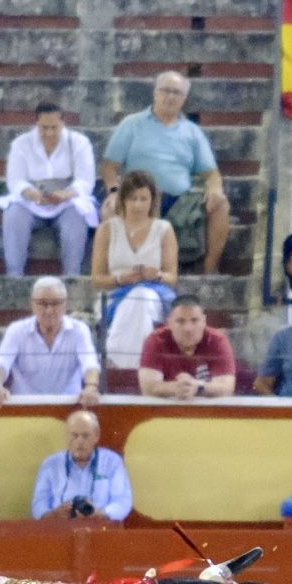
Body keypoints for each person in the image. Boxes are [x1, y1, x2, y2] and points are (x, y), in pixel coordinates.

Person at [99, 72, 228, 273]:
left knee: (221, 205)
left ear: (184, 99)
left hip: (181, 202)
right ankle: (109, 273)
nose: (170, 96)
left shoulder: (191, 131)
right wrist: (114, 191)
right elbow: (109, 166)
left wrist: (215, 189)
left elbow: (211, 173)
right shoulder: (132, 124)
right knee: (109, 209)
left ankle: (209, 271)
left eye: (176, 92)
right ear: (155, 93)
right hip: (139, 197)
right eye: (165, 90)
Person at [0, 102, 97, 279]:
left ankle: (71, 276)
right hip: (32, 199)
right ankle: (14, 275)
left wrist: (65, 194)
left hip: (67, 200)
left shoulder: (79, 143)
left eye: (54, 127)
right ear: (36, 124)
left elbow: (86, 180)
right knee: (12, 215)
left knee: (77, 217)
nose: (49, 133)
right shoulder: (21, 144)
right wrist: (31, 193)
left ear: (63, 123)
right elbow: (15, 180)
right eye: (44, 128)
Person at [92, 168, 178, 366]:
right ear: (123, 200)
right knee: (135, 299)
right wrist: (120, 279)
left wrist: (154, 275)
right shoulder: (107, 229)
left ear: (152, 200)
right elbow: (97, 278)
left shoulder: (164, 229)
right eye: (133, 198)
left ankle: (120, 360)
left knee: (141, 297)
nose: (138, 204)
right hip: (115, 295)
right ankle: (138, 363)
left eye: (143, 198)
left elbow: (171, 277)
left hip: (153, 295)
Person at [0, 276, 102, 407]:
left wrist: (91, 387)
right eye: (42, 303)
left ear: (65, 305)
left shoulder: (79, 330)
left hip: (69, 405)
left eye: (56, 303)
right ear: (32, 305)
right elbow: (1, 362)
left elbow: (89, 362)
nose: (49, 310)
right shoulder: (16, 330)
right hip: (25, 406)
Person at [31, 409, 132, 521]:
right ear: (66, 436)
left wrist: (103, 514)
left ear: (96, 436)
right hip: (60, 529)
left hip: (101, 529)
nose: (79, 441)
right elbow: (38, 503)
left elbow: (122, 500)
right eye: (74, 435)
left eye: (85, 436)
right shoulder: (51, 464)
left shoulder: (112, 461)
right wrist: (53, 515)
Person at [138, 295, 235, 400]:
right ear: (169, 323)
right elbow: (148, 388)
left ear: (204, 321)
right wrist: (175, 388)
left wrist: (198, 387)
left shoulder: (217, 340)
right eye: (180, 321)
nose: (188, 328)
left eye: (194, 320)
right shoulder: (155, 340)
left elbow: (226, 388)